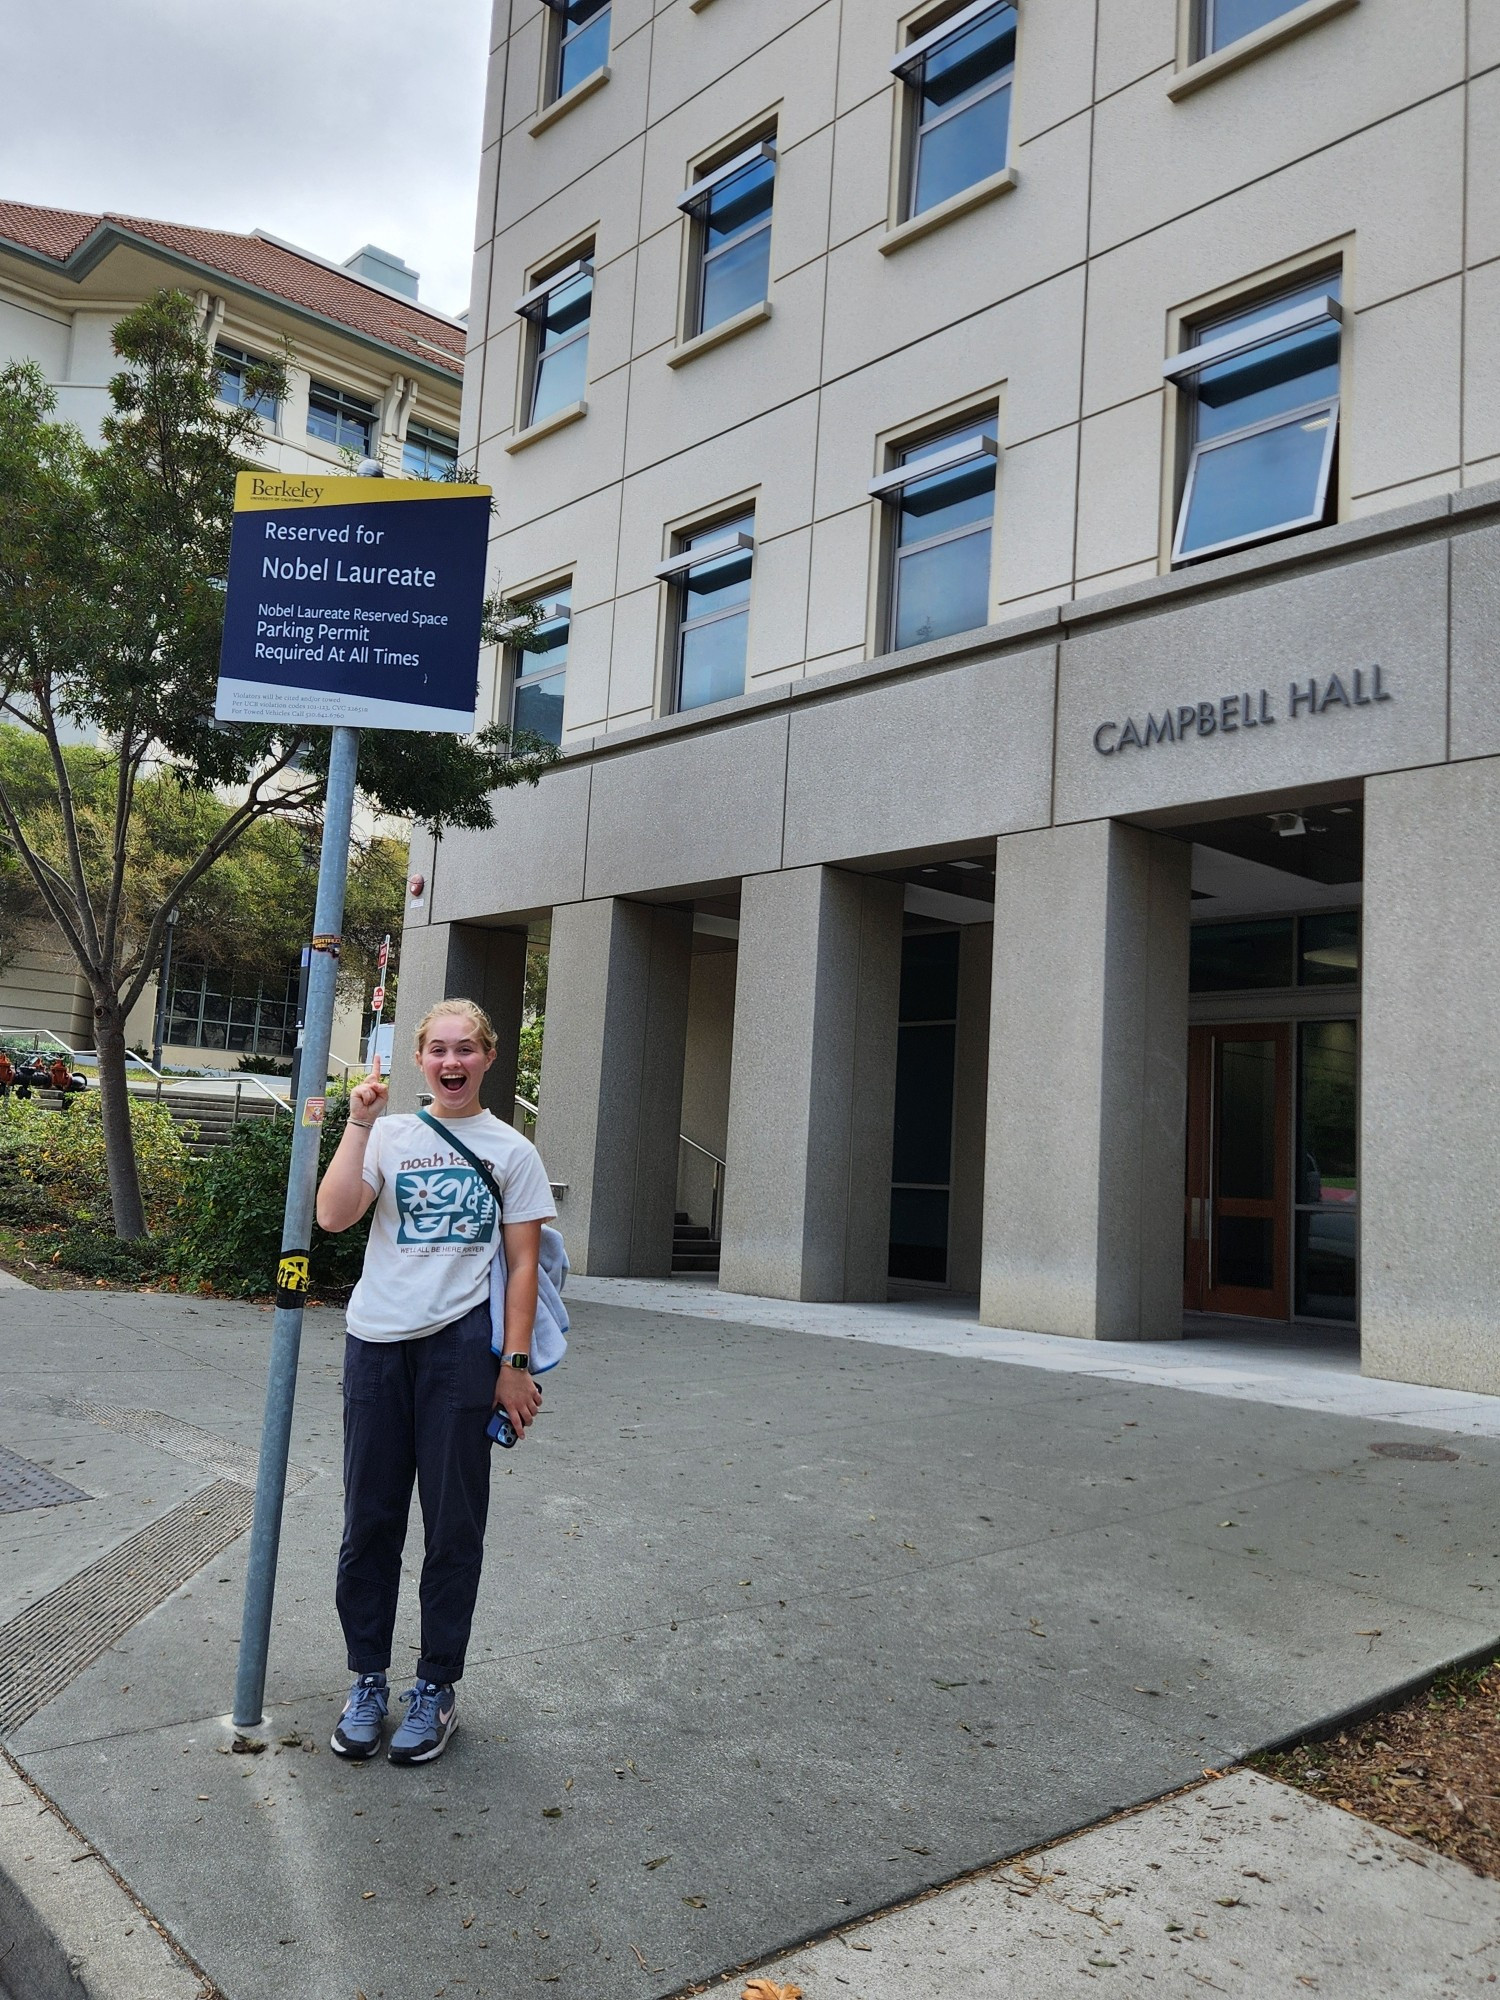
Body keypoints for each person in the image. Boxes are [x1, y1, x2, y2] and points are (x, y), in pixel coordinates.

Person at [314, 998, 556, 1765]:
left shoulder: (513, 1151)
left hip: (460, 1351)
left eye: (466, 1050)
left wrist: (513, 1367)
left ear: (487, 1057)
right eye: (438, 1050)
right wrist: (357, 1122)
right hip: (376, 1345)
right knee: (369, 1523)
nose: (452, 1063)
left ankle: (437, 1686)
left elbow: (522, 1265)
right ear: (420, 1059)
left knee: (453, 1528)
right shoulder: (387, 1133)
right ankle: (368, 1682)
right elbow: (333, 1217)